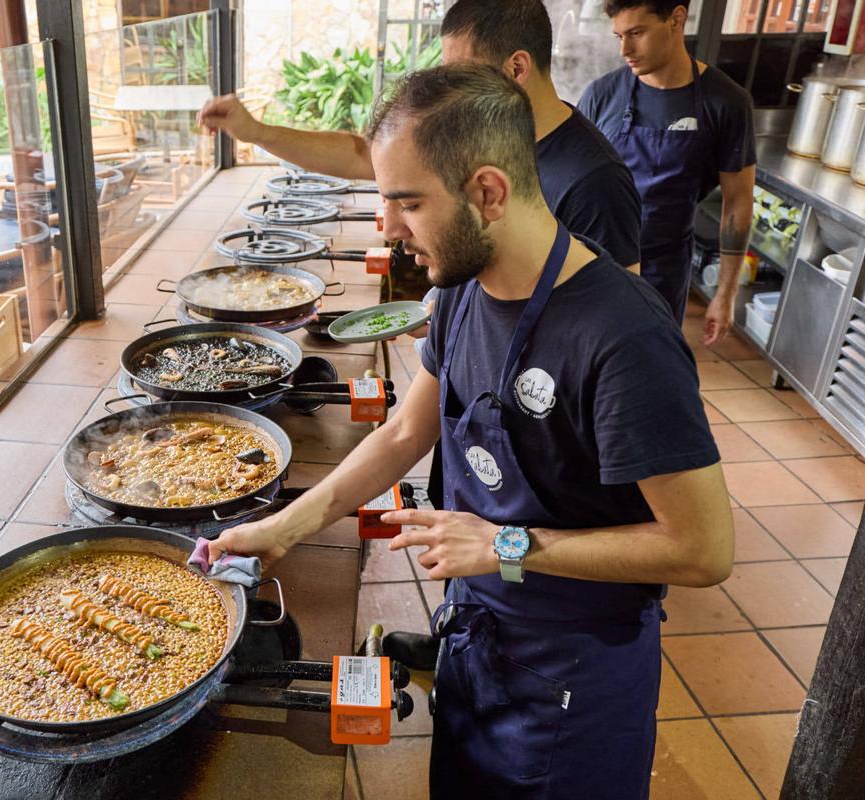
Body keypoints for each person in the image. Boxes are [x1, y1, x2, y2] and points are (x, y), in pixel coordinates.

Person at [208, 64, 733, 799]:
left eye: (407, 202)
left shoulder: (623, 338)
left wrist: (503, 544)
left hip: (573, 674)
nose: (387, 226)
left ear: (488, 191)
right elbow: (403, 435)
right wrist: (284, 527)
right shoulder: (461, 291)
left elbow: (705, 550)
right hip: (481, 631)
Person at [198, 0, 642, 273]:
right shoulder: (471, 133)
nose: (451, 88)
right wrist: (254, 131)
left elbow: (612, 320)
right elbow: (361, 154)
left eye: (463, 73)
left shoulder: (594, 181)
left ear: (517, 68)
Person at [579, 0, 756, 337]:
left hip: (664, 271)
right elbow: (572, 181)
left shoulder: (726, 102)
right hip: (593, 265)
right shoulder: (602, 95)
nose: (625, 49)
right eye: (619, 36)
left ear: (677, 19)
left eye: (637, 33)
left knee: (645, 369)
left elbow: (737, 201)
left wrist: (726, 293)